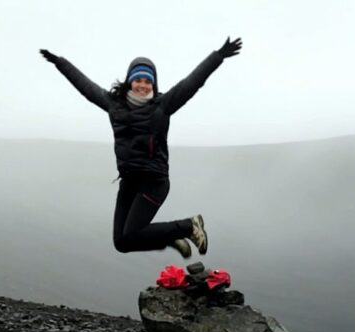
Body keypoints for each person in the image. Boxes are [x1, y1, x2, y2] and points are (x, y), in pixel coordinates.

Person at [40, 37, 243, 259]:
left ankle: (188, 226)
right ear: (130, 81)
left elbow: (191, 83)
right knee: (121, 242)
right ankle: (170, 236)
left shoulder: (162, 106)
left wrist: (218, 56)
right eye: (138, 80)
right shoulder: (114, 105)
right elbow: (86, 87)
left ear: (153, 85)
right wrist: (60, 62)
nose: (143, 85)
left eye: (148, 81)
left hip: (154, 182)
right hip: (129, 182)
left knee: (133, 233)